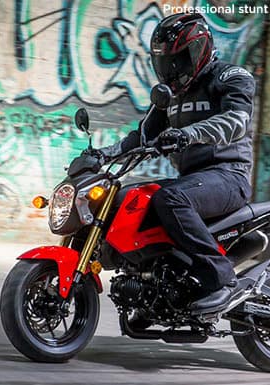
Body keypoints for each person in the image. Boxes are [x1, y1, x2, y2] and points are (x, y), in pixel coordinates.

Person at [96, 12, 255, 314]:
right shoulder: (170, 95)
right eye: (167, 62)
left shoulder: (230, 77)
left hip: (228, 177)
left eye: (180, 60)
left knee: (169, 198)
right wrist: (102, 155)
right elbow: (142, 136)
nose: (173, 69)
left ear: (200, 49)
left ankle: (222, 280)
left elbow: (237, 121)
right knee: (130, 196)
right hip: (193, 181)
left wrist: (188, 134)